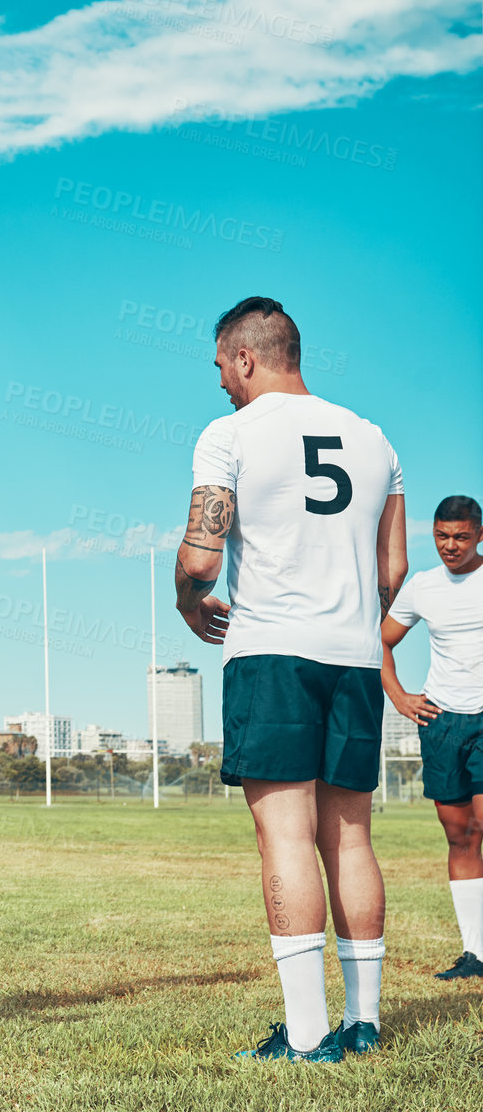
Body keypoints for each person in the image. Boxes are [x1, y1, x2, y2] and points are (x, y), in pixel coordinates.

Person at [175, 297, 407, 1062]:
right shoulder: (376, 439)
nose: (220, 384)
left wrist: (188, 598)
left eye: (220, 367)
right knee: (350, 837)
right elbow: (394, 568)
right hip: (352, 653)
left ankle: (308, 1034)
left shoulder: (230, 433)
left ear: (245, 356)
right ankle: (364, 1021)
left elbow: (203, 556)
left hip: (272, 650)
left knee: (285, 834)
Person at [381, 495, 483, 980]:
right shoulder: (422, 587)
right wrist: (399, 696)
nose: (450, 546)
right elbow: (380, 641)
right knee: (460, 834)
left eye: (461, 536)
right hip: (441, 722)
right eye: (442, 536)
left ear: (479, 534)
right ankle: (475, 954)